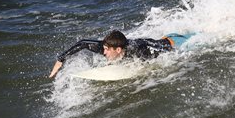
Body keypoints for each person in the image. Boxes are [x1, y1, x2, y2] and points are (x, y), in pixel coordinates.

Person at [49, 30, 195, 78]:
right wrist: (60, 60)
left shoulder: (138, 51)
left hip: (173, 43)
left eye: (106, 50)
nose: (103, 52)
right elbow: (82, 43)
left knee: (200, 40)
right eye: (103, 48)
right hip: (161, 39)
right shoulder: (107, 47)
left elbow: (162, 57)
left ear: (118, 50)